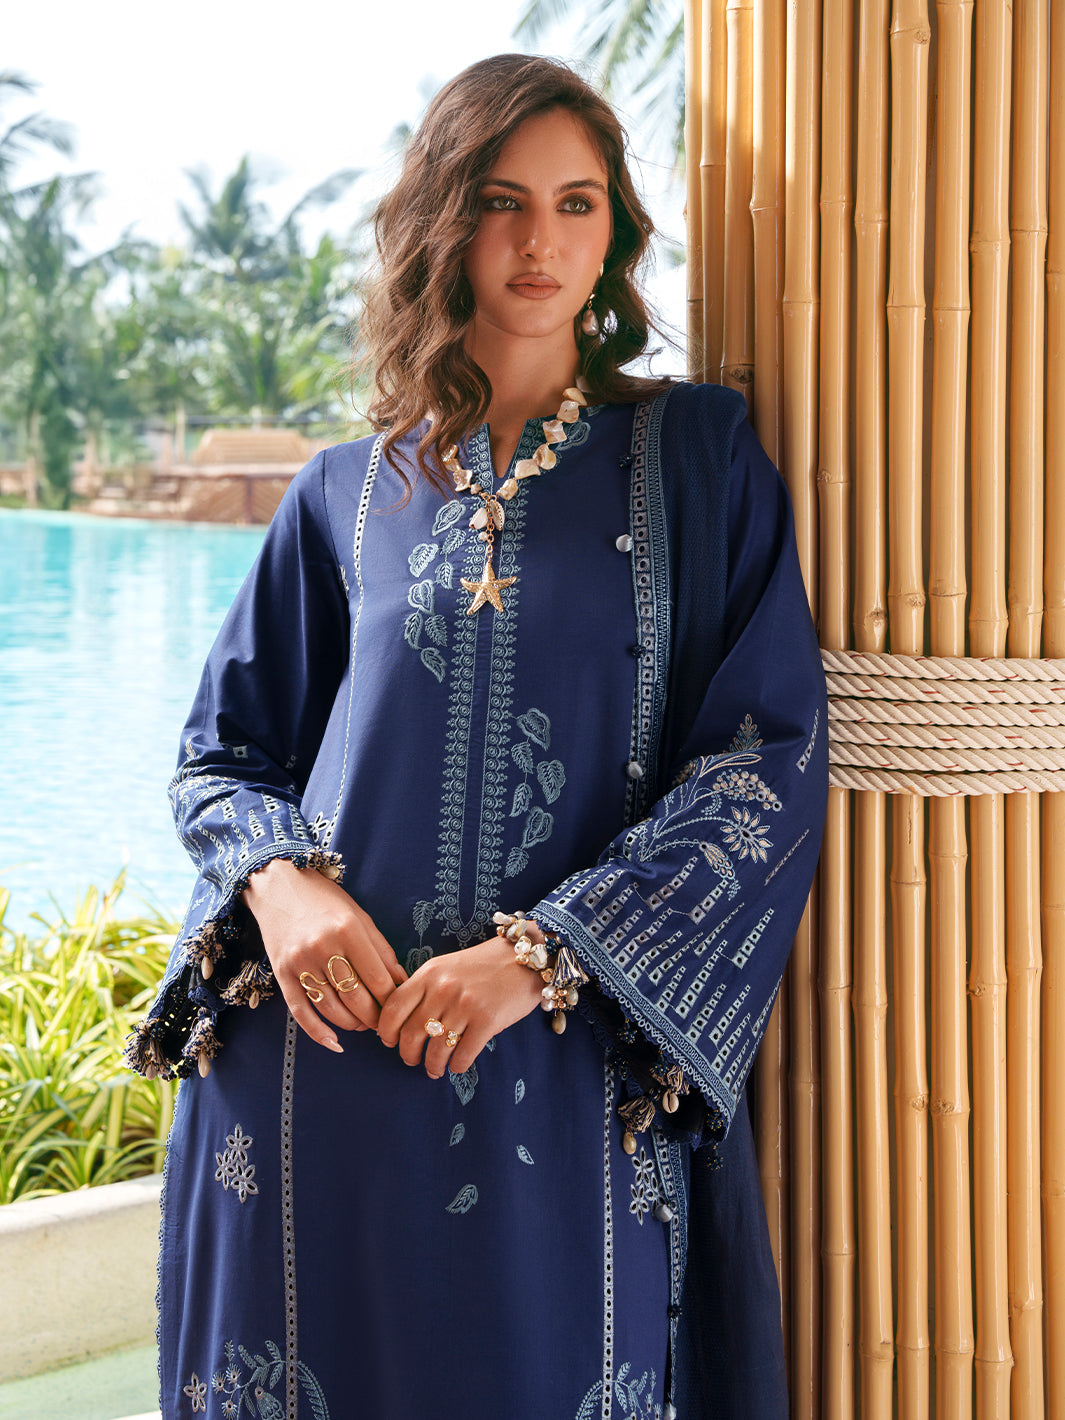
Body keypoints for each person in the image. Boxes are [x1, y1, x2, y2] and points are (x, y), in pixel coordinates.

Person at [128, 53, 827, 1420]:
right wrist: (283, 888)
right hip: (311, 1071)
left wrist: (540, 957)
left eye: (577, 204)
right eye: (503, 201)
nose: (539, 242)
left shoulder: (695, 459)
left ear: (616, 234)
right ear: (446, 222)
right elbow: (222, 755)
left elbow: (761, 761)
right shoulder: (343, 494)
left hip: (553, 1074)